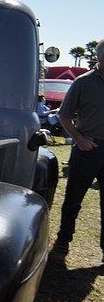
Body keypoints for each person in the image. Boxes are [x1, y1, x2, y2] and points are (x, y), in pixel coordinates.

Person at [53, 39, 104, 261]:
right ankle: (64, 239)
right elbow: (64, 116)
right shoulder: (83, 83)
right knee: (73, 199)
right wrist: (79, 139)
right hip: (87, 149)